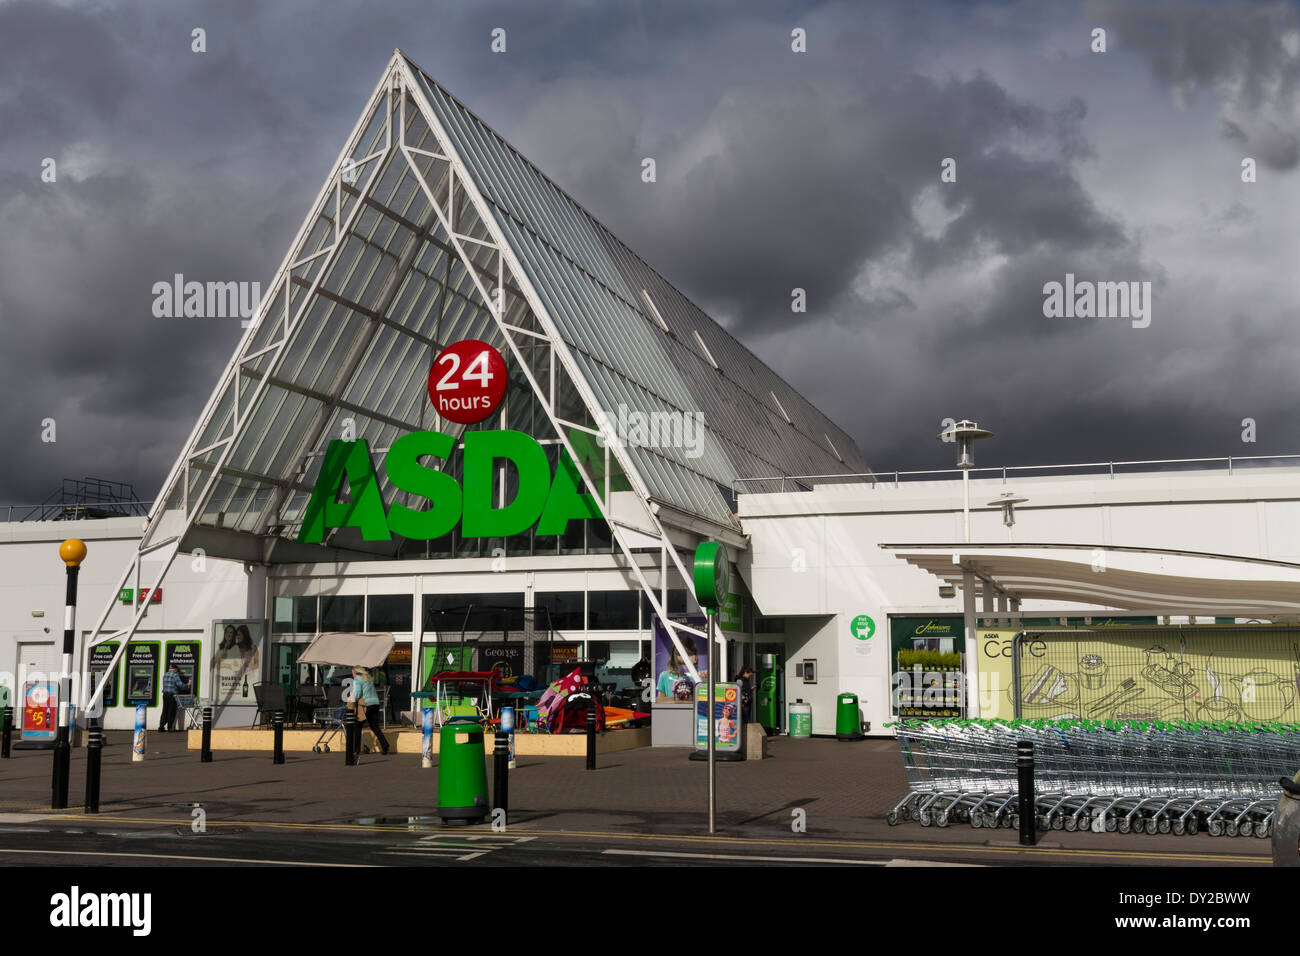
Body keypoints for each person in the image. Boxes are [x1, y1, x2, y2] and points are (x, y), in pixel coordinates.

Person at [350, 666, 390, 755]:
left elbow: (357, 694)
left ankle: (356, 750)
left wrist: (350, 700)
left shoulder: (357, 680)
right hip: (375, 704)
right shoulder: (368, 678)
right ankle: (385, 745)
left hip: (366, 705)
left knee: (357, 727)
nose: (352, 675)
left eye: (352, 673)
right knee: (375, 726)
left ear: (355, 673)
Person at [656, 636, 702, 701]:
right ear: (673, 657)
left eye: (689, 654)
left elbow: (706, 702)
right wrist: (676, 695)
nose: (684, 658)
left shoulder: (701, 676)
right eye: (680, 654)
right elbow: (660, 702)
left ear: (696, 658)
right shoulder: (664, 676)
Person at [159, 663, 192, 732]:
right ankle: (170, 728)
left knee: (165, 710)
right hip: (172, 696)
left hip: (165, 695)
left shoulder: (165, 675)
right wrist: (188, 684)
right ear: (175, 669)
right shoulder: (175, 675)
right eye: (177, 670)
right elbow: (180, 685)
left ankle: (161, 727)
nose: (177, 671)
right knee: (172, 711)